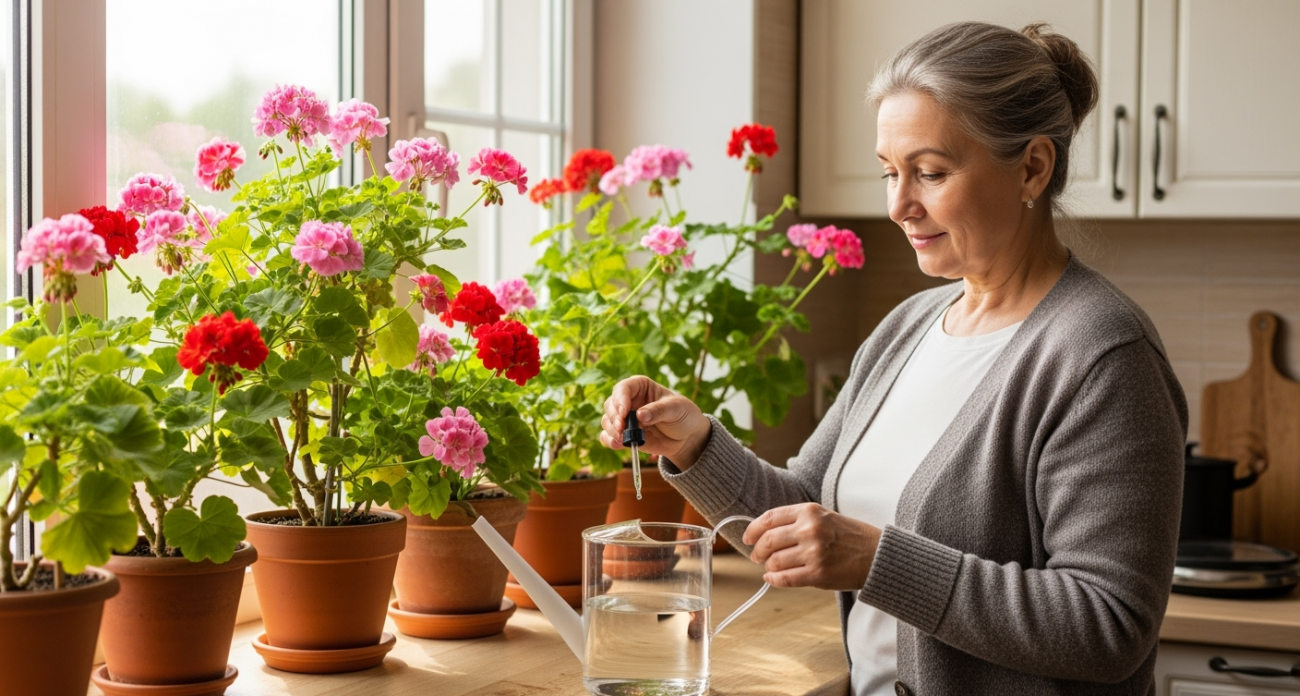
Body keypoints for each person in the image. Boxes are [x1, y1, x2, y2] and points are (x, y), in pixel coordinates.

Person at [600, 21, 1186, 696]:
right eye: (890, 172)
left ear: (1032, 167)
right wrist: (695, 445)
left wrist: (877, 561)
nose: (900, 205)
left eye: (930, 173)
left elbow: (1108, 625)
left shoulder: (1101, 356)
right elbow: (805, 510)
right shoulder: (907, 328)